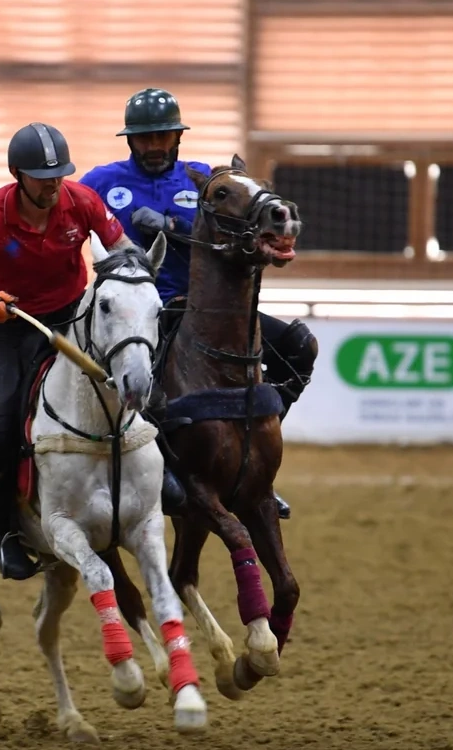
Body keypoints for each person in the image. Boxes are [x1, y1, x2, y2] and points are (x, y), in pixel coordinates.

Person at [79, 87, 317, 520]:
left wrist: (171, 224)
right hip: (149, 309)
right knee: (144, 391)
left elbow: (241, 227)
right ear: (131, 141)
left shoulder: (206, 180)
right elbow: (59, 209)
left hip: (213, 309)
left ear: (177, 138)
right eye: (145, 138)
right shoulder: (101, 181)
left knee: (300, 346)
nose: (154, 146)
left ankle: (258, 455)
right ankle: (164, 472)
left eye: (163, 137)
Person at [0, 122, 132, 580]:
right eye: (43, 178)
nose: (53, 185)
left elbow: (122, 248)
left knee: (133, 388)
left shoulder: (81, 201)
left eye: (59, 175)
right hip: (10, 327)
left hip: (71, 320)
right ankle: (1, 532)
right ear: (17, 175)